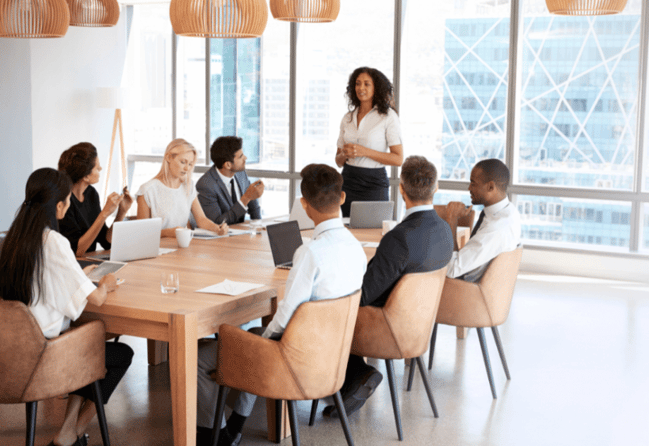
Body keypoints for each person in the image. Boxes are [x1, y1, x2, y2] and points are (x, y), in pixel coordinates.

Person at [196, 164, 367, 446]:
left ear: (303, 204)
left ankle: (212, 437)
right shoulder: (355, 248)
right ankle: (233, 428)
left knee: (205, 355)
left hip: (295, 359)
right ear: (343, 198)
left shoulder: (310, 252)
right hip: (333, 356)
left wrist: (261, 340)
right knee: (256, 339)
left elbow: (287, 315)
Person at [0, 168, 133, 446]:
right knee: (117, 353)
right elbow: (95, 300)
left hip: (8, 354)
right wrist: (105, 284)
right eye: (68, 200)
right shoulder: (55, 242)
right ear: (59, 205)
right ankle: (73, 430)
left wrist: (76, 278)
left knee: (88, 347)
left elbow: (40, 283)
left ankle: (68, 432)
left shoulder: (12, 239)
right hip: (44, 358)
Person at [323, 155, 453, 418]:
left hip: (384, 326)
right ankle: (354, 375)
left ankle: (358, 373)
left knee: (324, 307)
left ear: (401, 189)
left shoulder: (399, 238)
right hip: (417, 325)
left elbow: (365, 294)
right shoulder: (444, 230)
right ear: (435, 188)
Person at [335, 67, 404, 217]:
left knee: (374, 231)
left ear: (376, 87)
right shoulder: (347, 118)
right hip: (348, 181)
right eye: (358, 83)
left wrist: (364, 151)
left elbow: (398, 159)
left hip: (374, 183)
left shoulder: (387, 116)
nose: (361, 88)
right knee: (350, 230)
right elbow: (338, 161)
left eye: (367, 84)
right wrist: (344, 155)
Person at [444, 158, 521, 282]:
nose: (469, 188)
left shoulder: (495, 228)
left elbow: (451, 270)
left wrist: (452, 220)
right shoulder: (509, 211)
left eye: (473, 183)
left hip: (461, 289)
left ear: (490, 186)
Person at [136, 139, 228, 238]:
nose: (187, 168)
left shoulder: (188, 186)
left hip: (182, 246)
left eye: (190, 164)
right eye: (183, 162)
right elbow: (142, 233)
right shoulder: (147, 190)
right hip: (158, 249)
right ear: (168, 158)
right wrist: (167, 232)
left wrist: (217, 228)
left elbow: (201, 219)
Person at [57, 142, 133, 256]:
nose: (101, 168)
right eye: (97, 167)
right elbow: (76, 251)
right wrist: (104, 214)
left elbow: (106, 242)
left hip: (89, 261)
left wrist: (121, 212)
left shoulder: (91, 194)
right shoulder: (64, 202)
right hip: (74, 264)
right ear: (86, 176)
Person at [196, 136, 263, 225]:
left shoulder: (239, 173)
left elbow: (253, 204)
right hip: (220, 237)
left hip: (241, 233)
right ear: (228, 165)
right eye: (241, 156)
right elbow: (217, 223)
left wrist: (259, 226)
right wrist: (245, 198)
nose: (245, 158)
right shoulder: (205, 185)